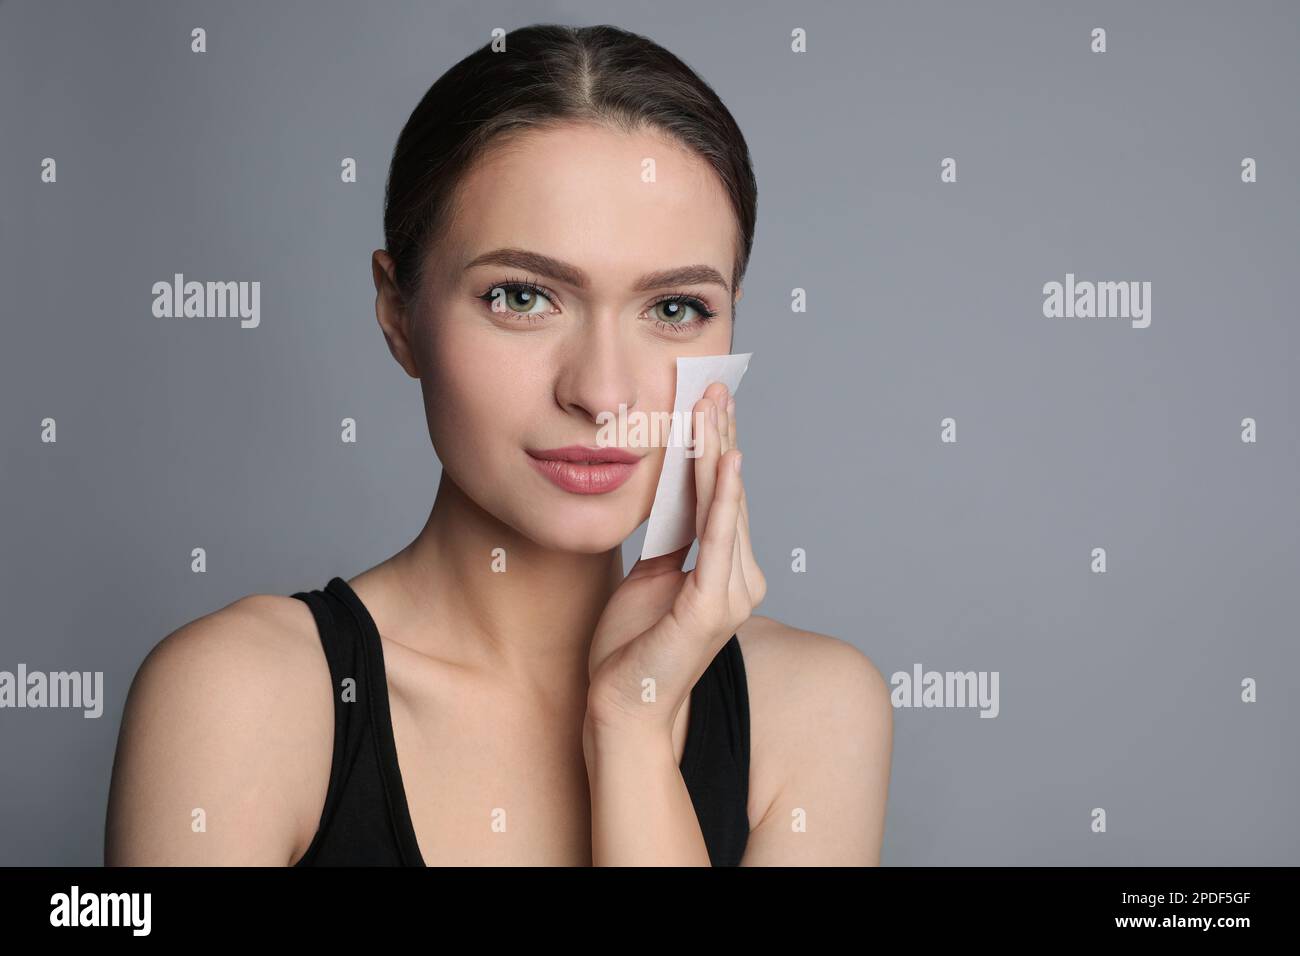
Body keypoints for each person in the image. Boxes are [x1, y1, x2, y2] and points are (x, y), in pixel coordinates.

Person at [104, 23, 892, 867]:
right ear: (398, 313)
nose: (600, 392)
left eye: (673, 310)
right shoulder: (239, 699)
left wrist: (629, 727)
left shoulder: (815, 710)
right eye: (522, 296)